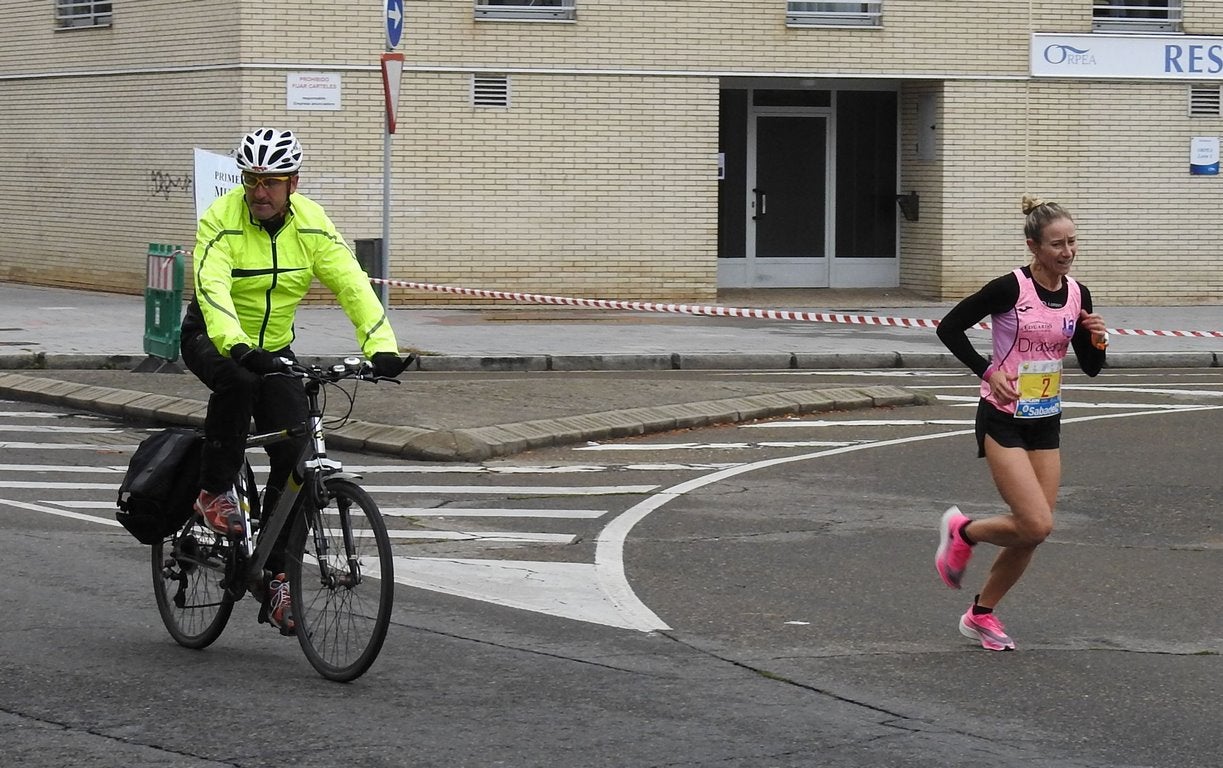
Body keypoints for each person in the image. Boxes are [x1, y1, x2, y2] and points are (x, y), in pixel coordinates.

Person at [180, 127, 409, 633]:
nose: (259, 192)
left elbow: (351, 282)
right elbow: (211, 287)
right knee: (237, 381)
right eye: (252, 179)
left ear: (293, 184)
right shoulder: (221, 221)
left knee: (296, 459)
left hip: (275, 347)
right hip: (214, 336)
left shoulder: (311, 224)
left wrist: (381, 347)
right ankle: (212, 490)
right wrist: (237, 346)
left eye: (271, 182)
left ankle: (276, 575)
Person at [933, 194, 1108, 651]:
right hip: (1002, 415)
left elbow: (1090, 367)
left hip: (1044, 418)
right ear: (1034, 246)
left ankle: (981, 614)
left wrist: (1097, 339)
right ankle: (963, 531)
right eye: (1057, 244)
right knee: (1034, 524)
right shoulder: (1010, 288)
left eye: (1072, 242)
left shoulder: (1078, 294)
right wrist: (988, 370)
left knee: (1034, 532)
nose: (1067, 252)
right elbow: (949, 328)